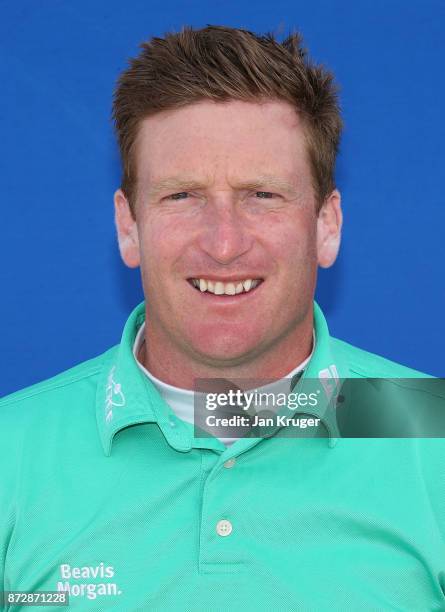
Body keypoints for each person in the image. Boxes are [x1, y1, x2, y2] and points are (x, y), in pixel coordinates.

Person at [1, 25, 444, 612]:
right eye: (182, 196)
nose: (225, 243)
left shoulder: (431, 434)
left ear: (326, 225)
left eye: (262, 194)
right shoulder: (12, 450)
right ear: (128, 226)